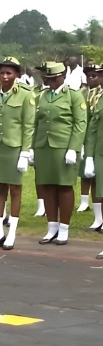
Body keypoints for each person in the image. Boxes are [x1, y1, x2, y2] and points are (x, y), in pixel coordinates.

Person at [0, 57, 35, 250]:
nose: (4, 77)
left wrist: (25, 153)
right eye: (2, 73)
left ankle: (11, 232)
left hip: (14, 148)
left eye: (8, 73)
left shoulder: (25, 95)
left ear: (17, 75)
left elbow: (28, 126)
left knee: (15, 190)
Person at [33, 62, 86, 245]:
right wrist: (31, 147)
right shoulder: (42, 96)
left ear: (62, 76)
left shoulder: (74, 96)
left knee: (64, 187)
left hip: (64, 148)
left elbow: (80, 124)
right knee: (47, 186)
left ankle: (64, 229)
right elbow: (35, 123)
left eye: (53, 79)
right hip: (43, 147)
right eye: (47, 79)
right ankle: (52, 227)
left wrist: (73, 148)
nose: (49, 82)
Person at [78, 64, 102, 212]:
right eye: (89, 76)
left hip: (96, 139)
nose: (91, 79)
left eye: (95, 76)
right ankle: (84, 201)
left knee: (97, 178)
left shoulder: (98, 95)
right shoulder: (82, 93)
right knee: (85, 173)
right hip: (87, 138)